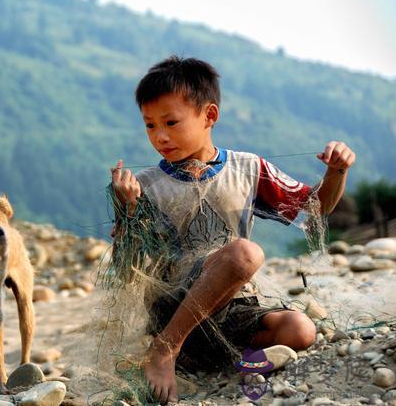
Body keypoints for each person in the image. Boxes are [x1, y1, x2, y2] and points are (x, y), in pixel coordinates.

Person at [109, 56, 356, 404]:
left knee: (301, 329)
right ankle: (164, 351)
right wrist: (128, 209)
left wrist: (337, 172)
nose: (160, 136)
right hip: (173, 310)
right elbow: (125, 268)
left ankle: (234, 362)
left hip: (232, 312)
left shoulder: (249, 168)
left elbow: (315, 208)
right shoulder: (146, 185)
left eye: (171, 122)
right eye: (149, 125)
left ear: (209, 116)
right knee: (245, 253)